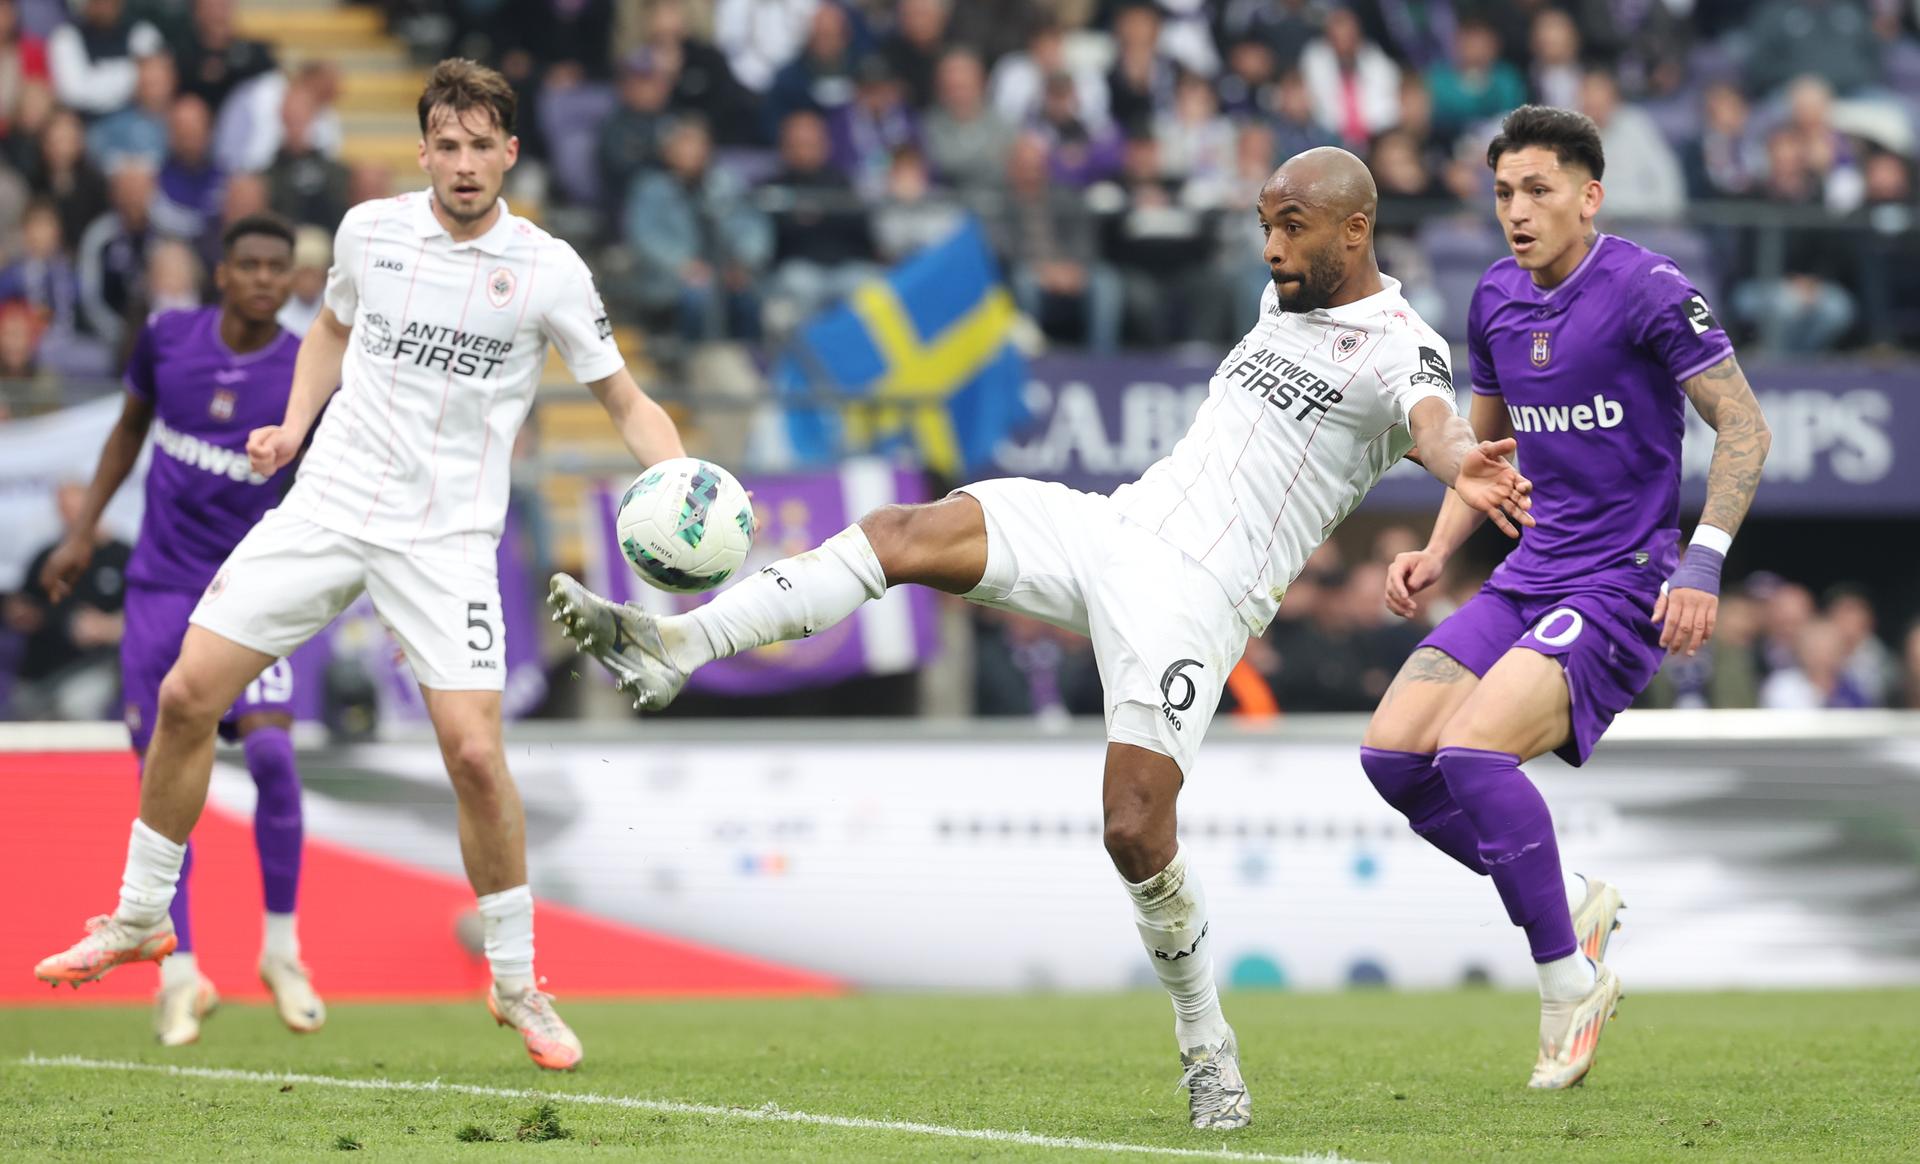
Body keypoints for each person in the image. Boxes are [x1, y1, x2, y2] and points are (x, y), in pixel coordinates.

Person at [550, 146, 1534, 1129]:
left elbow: (1434, 420)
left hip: (1195, 599)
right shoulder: (1285, 303)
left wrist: (1462, 467)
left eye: (1292, 227)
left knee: (1133, 829)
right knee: (904, 533)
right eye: (1265, 225)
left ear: (1354, 230)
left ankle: (1208, 1048)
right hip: (1112, 525)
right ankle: (674, 647)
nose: (1271, 246)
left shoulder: (1402, 346)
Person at [33, 58, 688, 1074]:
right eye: (448, 145)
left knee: (474, 756)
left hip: (447, 539)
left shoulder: (551, 269)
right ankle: (138, 918)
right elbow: (332, 328)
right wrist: (294, 426)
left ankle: (516, 983)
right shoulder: (368, 233)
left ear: (509, 153)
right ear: (422, 148)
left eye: (483, 147)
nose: (464, 164)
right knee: (185, 695)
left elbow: (627, 403)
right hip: (330, 505)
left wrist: (686, 484)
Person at [1360, 106, 1771, 1091]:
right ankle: (1573, 896)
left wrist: (1703, 561)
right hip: (1525, 573)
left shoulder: (1649, 290)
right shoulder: (1495, 296)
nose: (1516, 210)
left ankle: (1566, 987)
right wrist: (1436, 547)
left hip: (1622, 584)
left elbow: (1746, 428)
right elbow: (1486, 459)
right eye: (1504, 192)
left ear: (1590, 197)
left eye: (1538, 190)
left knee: (1468, 751)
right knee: (1392, 757)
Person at [37, 213, 322, 1047]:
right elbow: (128, 430)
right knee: (166, 783)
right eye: (253, 265)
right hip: (160, 594)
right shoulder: (167, 340)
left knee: (272, 754)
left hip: (252, 592)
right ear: (222, 273)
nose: (268, 278)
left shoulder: (308, 369)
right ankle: (181, 973)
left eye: (281, 265)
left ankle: (281, 948)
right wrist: (85, 530)